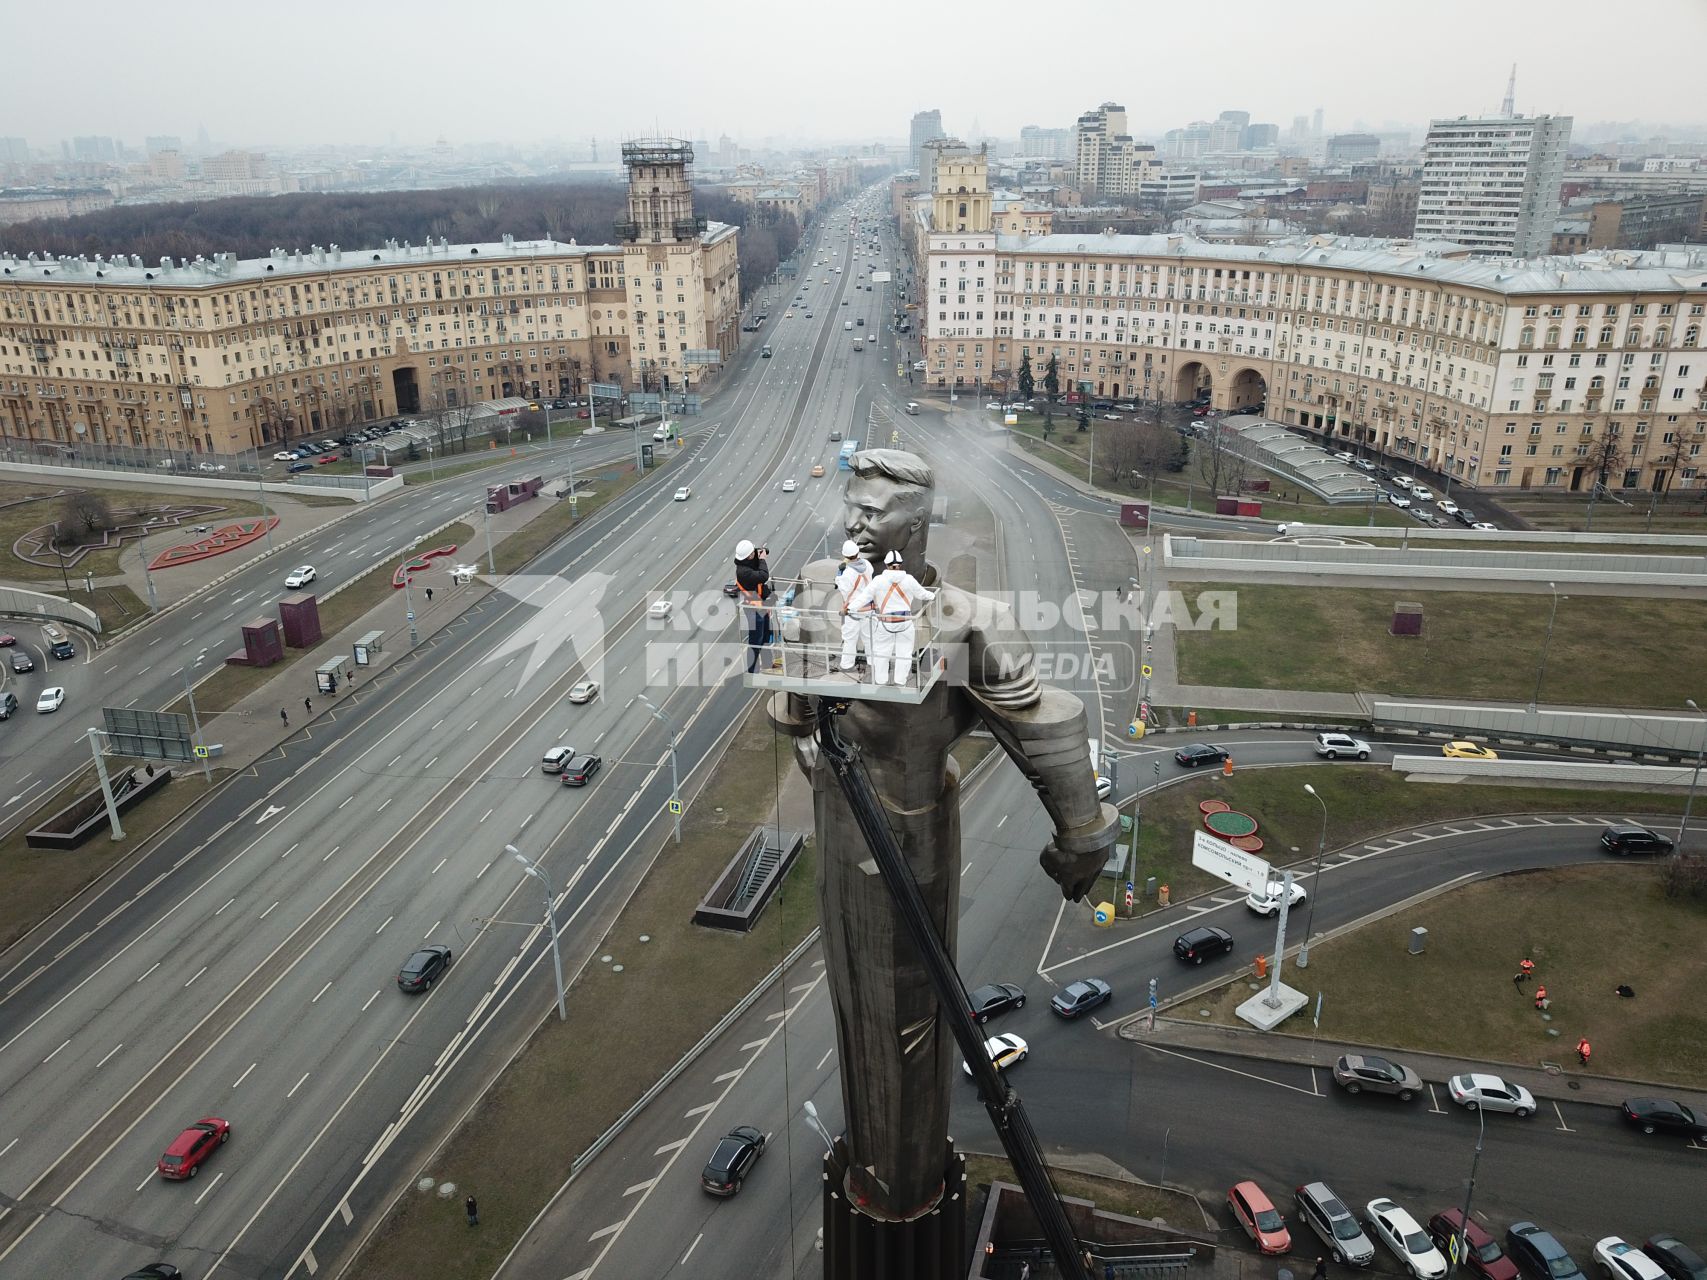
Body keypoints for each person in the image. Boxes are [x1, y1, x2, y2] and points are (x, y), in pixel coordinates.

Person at [768, 448, 1115, 1220]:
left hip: (910, 839)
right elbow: (790, 713)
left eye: (872, 510)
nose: (853, 521)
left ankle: (902, 1186)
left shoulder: (963, 624)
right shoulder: (820, 591)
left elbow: (1041, 723)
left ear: (917, 522)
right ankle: (879, 1170)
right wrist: (795, 667)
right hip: (838, 826)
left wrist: (1083, 836)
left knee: (905, 1026)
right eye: (850, 506)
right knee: (856, 1015)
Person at [845, 550, 935, 686]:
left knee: (881, 653)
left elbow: (864, 597)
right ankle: (900, 681)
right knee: (904, 654)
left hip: (885, 623)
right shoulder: (909, 579)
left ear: (886, 565)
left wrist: (850, 608)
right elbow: (923, 594)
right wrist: (933, 596)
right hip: (905, 623)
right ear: (900, 564)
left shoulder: (879, 580)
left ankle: (881, 680)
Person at [834, 539, 874, 672]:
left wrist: (839, 573)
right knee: (869, 638)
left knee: (850, 638)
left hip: (853, 610)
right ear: (858, 553)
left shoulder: (847, 572)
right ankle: (873, 662)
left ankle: (847, 665)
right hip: (868, 607)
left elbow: (844, 589)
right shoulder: (867, 564)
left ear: (845, 556)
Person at [734, 539, 773, 674]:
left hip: (760, 603)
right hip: (752, 607)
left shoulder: (749, 563)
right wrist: (762, 559)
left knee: (767, 634)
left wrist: (767, 600)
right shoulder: (743, 571)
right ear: (748, 556)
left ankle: (767, 663)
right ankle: (753, 670)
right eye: (753, 553)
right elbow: (763, 576)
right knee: (756, 640)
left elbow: (761, 587)